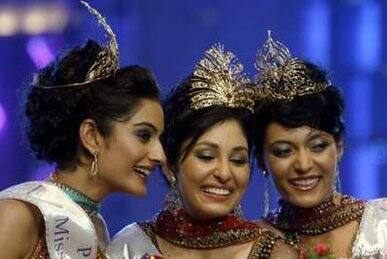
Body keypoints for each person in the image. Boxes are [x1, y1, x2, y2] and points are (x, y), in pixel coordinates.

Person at [0, 2, 165, 258]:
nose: (159, 155)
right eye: (144, 135)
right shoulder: (20, 216)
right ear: (91, 136)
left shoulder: (98, 235)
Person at [107, 44, 298, 259]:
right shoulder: (132, 245)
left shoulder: (273, 252)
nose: (224, 173)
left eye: (238, 160)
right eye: (206, 156)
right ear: (170, 165)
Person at [253, 31, 387, 258]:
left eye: (318, 146)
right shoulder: (251, 245)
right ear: (262, 158)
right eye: (283, 151)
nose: (303, 164)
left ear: (339, 146)